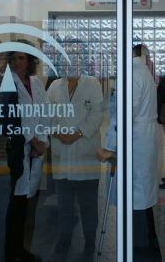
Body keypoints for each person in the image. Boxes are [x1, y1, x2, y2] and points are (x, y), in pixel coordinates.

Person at [47, 59, 105, 260]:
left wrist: (77, 133)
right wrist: (57, 132)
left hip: (85, 154)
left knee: (89, 205)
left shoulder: (93, 84)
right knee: (64, 205)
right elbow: (46, 114)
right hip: (62, 153)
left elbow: (97, 115)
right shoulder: (55, 86)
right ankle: (64, 242)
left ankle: (90, 243)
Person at [2, 42, 50, 262]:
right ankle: (11, 253)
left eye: (22, 58)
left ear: (30, 61)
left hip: (35, 150)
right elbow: (11, 119)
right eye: (14, 58)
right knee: (15, 205)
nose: (17, 62)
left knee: (25, 206)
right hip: (19, 149)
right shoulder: (8, 84)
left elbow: (44, 113)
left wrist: (41, 143)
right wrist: (32, 141)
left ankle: (19, 250)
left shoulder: (36, 83)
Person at [131, 44, 161, 260]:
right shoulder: (145, 72)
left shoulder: (134, 74)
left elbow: (127, 112)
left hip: (138, 138)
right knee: (144, 187)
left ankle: (140, 245)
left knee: (139, 191)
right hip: (145, 136)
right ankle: (147, 239)